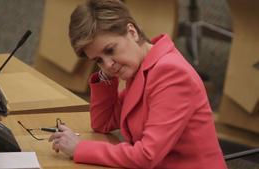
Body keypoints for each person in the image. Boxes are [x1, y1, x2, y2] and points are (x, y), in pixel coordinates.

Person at [49, 0, 228, 168]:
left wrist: (80, 148)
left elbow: (147, 155)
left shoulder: (171, 73)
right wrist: (107, 75)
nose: (108, 64)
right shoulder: (141, 67)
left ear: (132, 32)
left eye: (110, 50)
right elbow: (102, 123)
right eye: (99, 60)